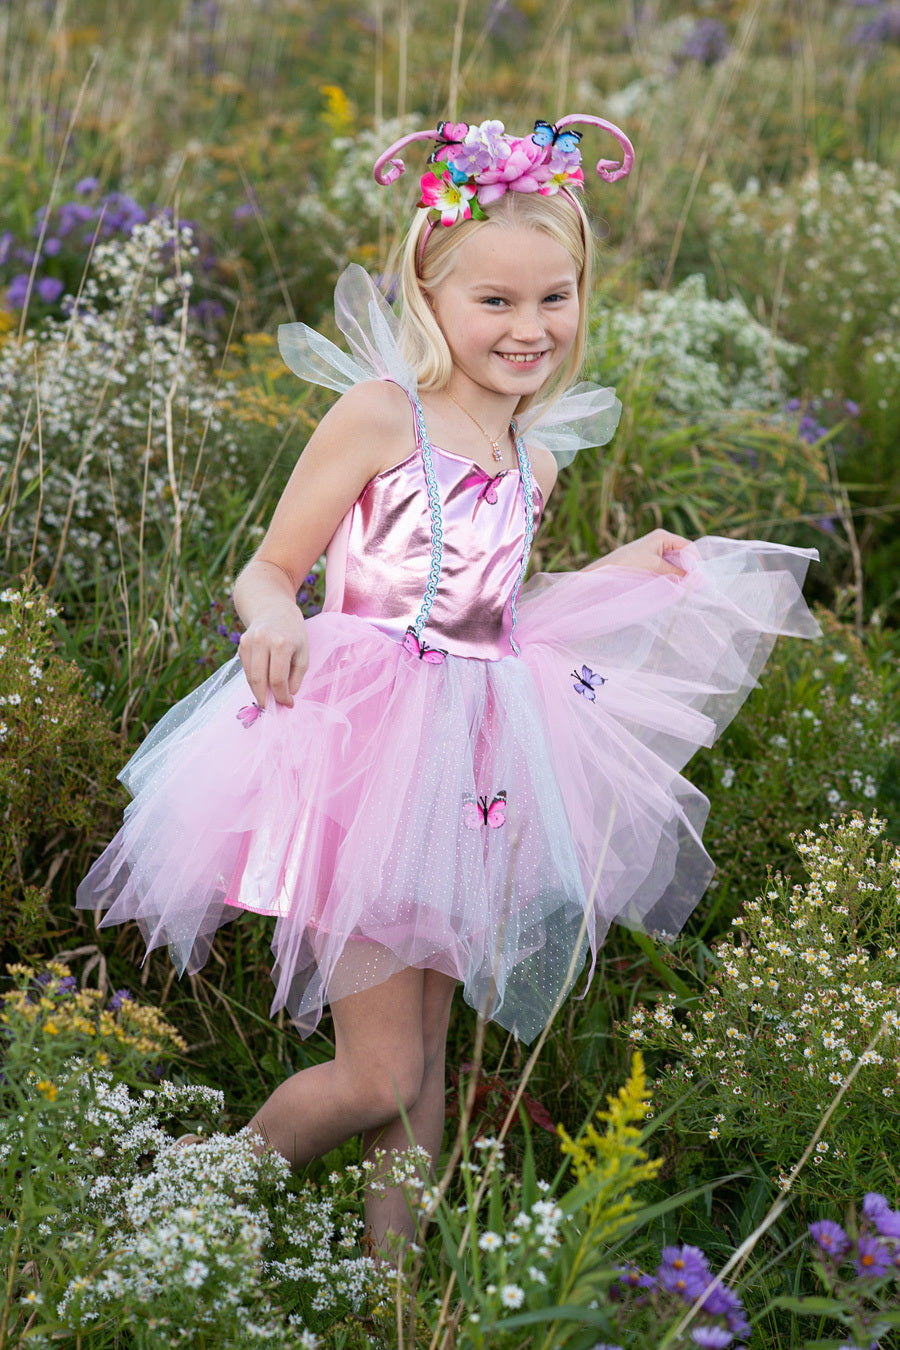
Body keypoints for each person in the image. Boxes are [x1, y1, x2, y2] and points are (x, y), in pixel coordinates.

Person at [77, 113, 819, 1247]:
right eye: (497, 302)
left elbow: (497, 608)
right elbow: (269, 570)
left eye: (553, 299)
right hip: (362, 745)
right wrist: (275, 618)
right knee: (374, 1074)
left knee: (420, 1065)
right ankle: (187, 1195)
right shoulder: (385, 415)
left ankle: (396, 1290)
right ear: (431, 297)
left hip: (471, 758)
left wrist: (623, 570)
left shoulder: (537, 449)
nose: (530, 329)